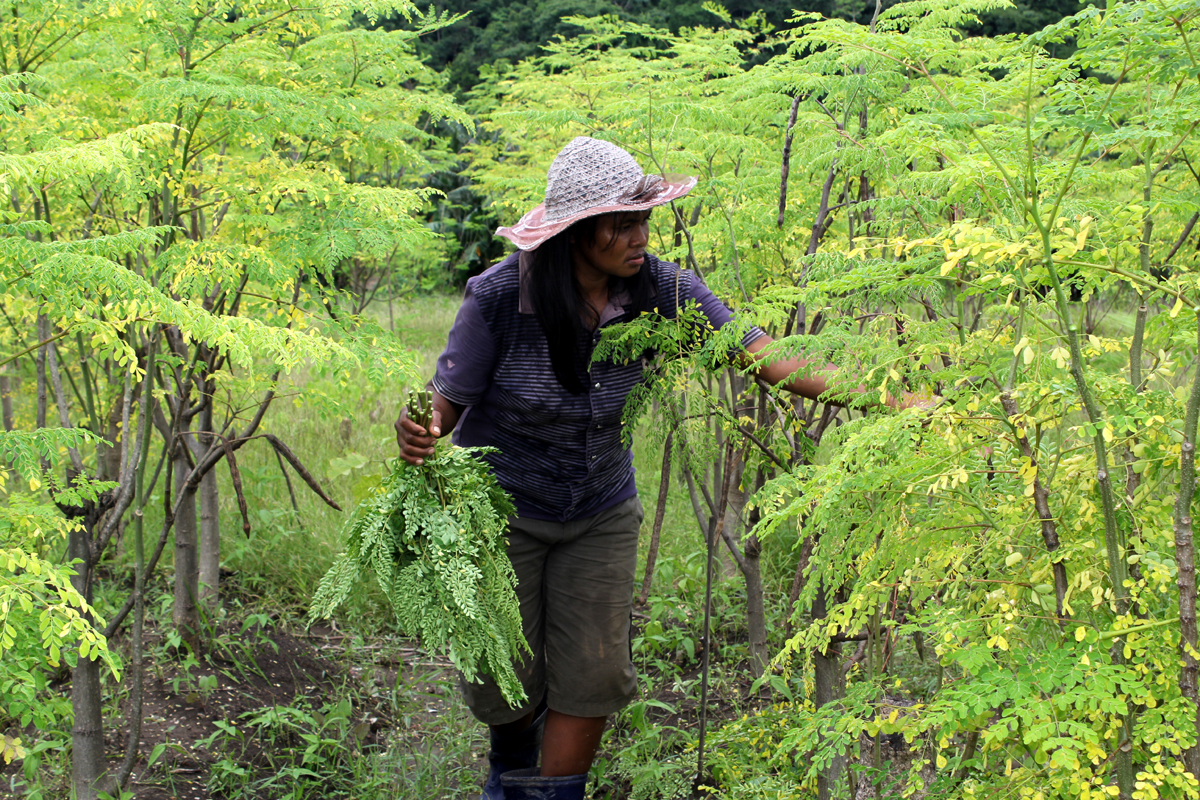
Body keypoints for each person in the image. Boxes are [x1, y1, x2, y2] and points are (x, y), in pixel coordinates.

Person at [396, 137, 843, 800]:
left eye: (644, 222)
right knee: (506, 675)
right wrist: (420, 435)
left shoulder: (661, 290)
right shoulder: (497, 297)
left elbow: (762, 355)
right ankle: (511, 771)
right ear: (576, 234)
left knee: (593, 673)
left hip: (599, 511)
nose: (640, 238)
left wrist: (887, 391)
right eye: (622, 225)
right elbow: (444, 411)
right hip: (503, 511)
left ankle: (549, 793)